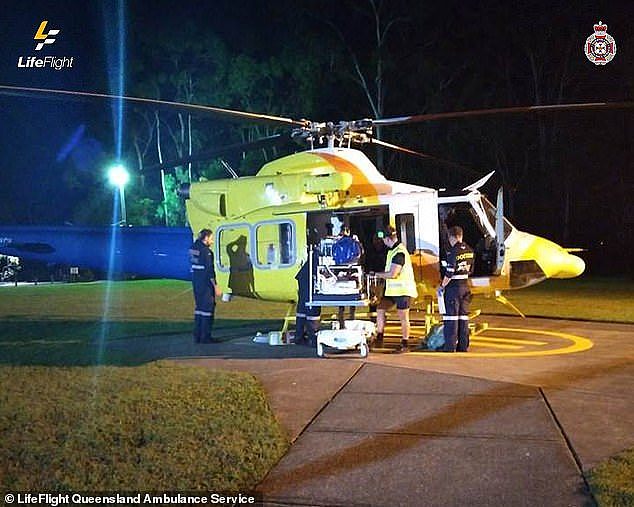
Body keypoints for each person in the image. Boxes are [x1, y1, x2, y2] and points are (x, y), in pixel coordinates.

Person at [373, 226, 418, 353]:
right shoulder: (392, 251)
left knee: (403, 317)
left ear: (388, 239)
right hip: (392, 291)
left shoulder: (399, 252)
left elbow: (393, 274)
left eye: (384, 240)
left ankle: (405, 343)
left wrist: (376, 274)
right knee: (380, 309)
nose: (383, 242)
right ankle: (379, 337)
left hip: (403, 291)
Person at [437, 225, 474, 352]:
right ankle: (463, 346)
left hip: (453, 288)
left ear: (452, 237)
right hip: (465, 287)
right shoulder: (470, 250)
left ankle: (450, 346)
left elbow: (449, 272)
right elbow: (471, 270)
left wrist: (442, 286)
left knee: (451, 317)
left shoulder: (454, 252)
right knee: (463, 317)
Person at [190, 229, 221, 343]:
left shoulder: (193, 248)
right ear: (206, 237)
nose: (212, 241)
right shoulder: (206, 251)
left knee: (199, 309)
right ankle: (205, 337)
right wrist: (216, 286)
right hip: (206, 284)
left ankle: (197, 335)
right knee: (208, 309)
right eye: (211, 238)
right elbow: (209, 271)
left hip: (196, 282)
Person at [333, 226, 363, 326]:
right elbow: (359, 255)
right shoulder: (355, 243)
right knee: (352, 296)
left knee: (341, 297)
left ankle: (341, 320)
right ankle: (351, 318)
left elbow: (334, 256)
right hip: (352, 270)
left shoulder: (337, 243)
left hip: (339, 271)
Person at [294, 246, 321, 347]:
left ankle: (299, 336)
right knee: (312, 307)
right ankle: (313, 339)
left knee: (302, 308)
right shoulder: (320, 256)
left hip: (304, 277)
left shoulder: (315, 254)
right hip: (309, 279)